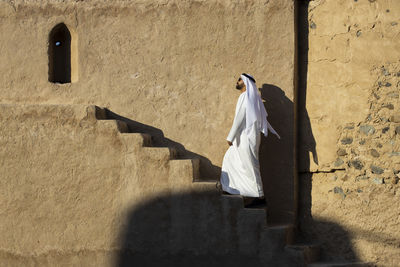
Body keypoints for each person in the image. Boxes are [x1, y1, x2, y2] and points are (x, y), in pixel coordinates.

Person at [220, 73, 280, 208]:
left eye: (240, 79)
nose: (238, 81)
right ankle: (232, 189)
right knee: (231, 159)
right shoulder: (252, 98)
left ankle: (260, 196)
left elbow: (240, 118)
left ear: (246, 83)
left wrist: (230, 137)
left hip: (245, 138)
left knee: (250, 166)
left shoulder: (246, 98)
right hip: (247, 137)